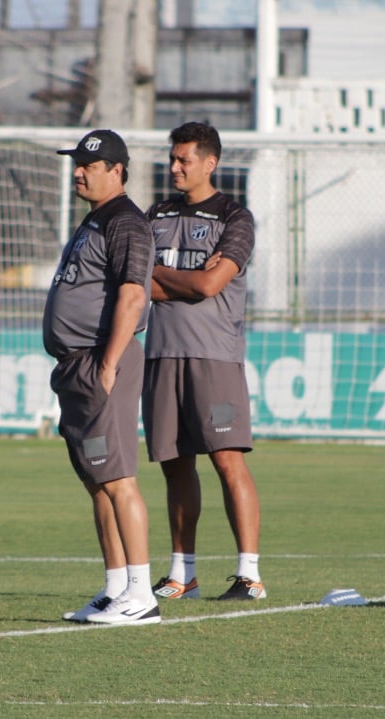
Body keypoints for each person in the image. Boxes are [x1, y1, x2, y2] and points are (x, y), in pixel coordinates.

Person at [143, 121, 265, 601]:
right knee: (174, 465)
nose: (174, 167)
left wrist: (160, 276)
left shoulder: (235, 217)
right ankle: (182, 575)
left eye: (183, 160)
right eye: (172, 159)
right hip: (161, 353)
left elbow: (209, 286)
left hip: (214, 356)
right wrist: (184, 278)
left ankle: (250, 575)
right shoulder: (154, 213)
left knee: (227, 461)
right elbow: (135, 285)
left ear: (209, 163)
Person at [43, 129, 160, 625]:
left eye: (89, 165)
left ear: (117, 170)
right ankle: (115, 587)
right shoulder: (96, 219)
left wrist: (109, 364)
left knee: (118, 479)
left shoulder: (127, 222)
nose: (78, 171)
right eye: (77, 163)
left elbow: (133, 297)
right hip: (76, 363)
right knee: (97, 479)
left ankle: (141, 593)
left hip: (99, 360)